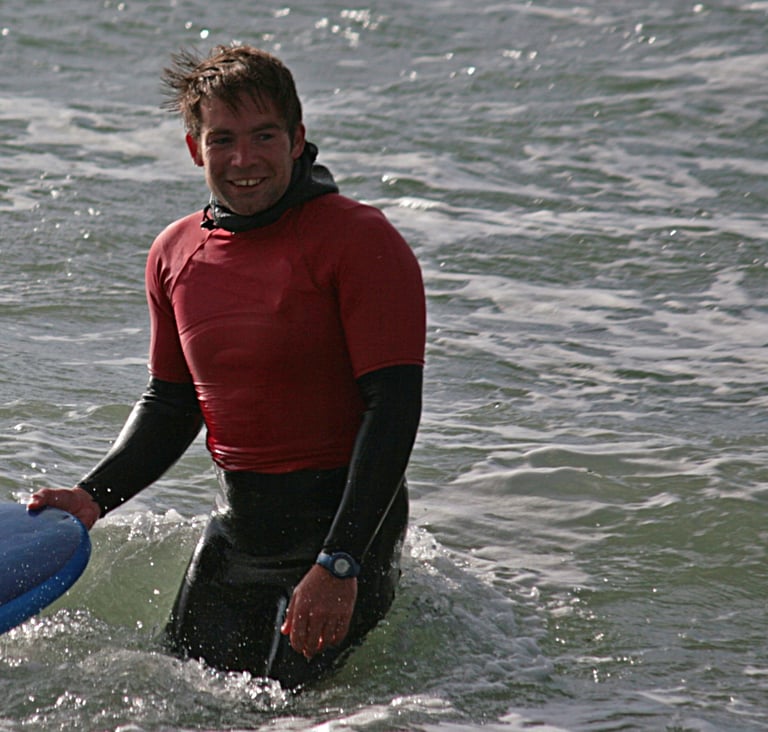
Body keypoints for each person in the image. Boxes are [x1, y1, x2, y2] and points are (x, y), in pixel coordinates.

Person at [28, 44, 426, 689]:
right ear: (195, 149)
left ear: (297, 139)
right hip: (239, 534)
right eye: (223, 140)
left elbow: (394, 406)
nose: (244, 160)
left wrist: (341, 562)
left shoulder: (358, 240)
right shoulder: (176, 252)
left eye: (263, 136)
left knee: (307, 720)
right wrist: (92, 497)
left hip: (344, 532)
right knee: (179, 700)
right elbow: (172, 402)